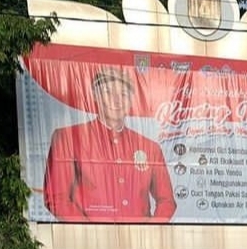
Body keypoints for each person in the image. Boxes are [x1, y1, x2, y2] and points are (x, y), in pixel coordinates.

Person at [43, 67, 175, 222]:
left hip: (141, 242)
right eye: (108, 92)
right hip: (89, 241)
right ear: (95, 96)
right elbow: (57, 198)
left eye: (124, 94)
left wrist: (151, 230)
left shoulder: (150, 148)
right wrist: (90, 233)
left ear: (132, 100)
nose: (116, 100)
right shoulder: (68, 138)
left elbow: (166, 201)